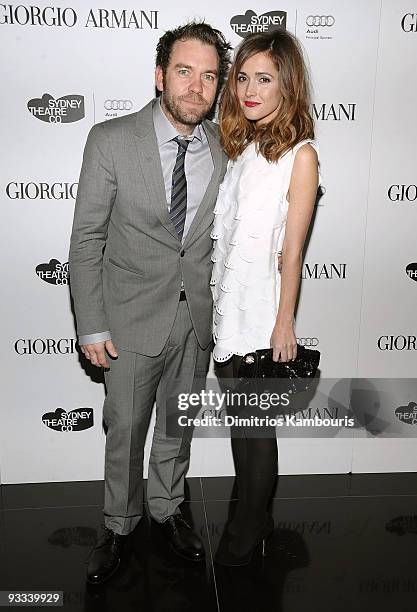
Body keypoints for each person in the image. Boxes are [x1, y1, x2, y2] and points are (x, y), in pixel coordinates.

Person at [69, 21, 231, 584]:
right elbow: (87, 238)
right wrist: (90, 325)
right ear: (160, 75)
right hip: (129, 319)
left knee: (176, 426)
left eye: (209, 76)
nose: (196, 87)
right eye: (185, 72)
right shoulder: (111, 139)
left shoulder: (222, 145)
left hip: (195, 318)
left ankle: (166, 508)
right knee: (126, 428)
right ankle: (118, 524)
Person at [210, 29, 321, 565]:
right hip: (229, 308)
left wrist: (284, 322)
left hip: (261, 311)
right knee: (241, 426)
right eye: (244, 78)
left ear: (288, 86)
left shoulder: (300, 156)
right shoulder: (244, 147)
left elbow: (293, 251)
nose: (250, 90)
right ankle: (256, 511)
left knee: (257, 430)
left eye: (265, 79)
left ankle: (251, 525)